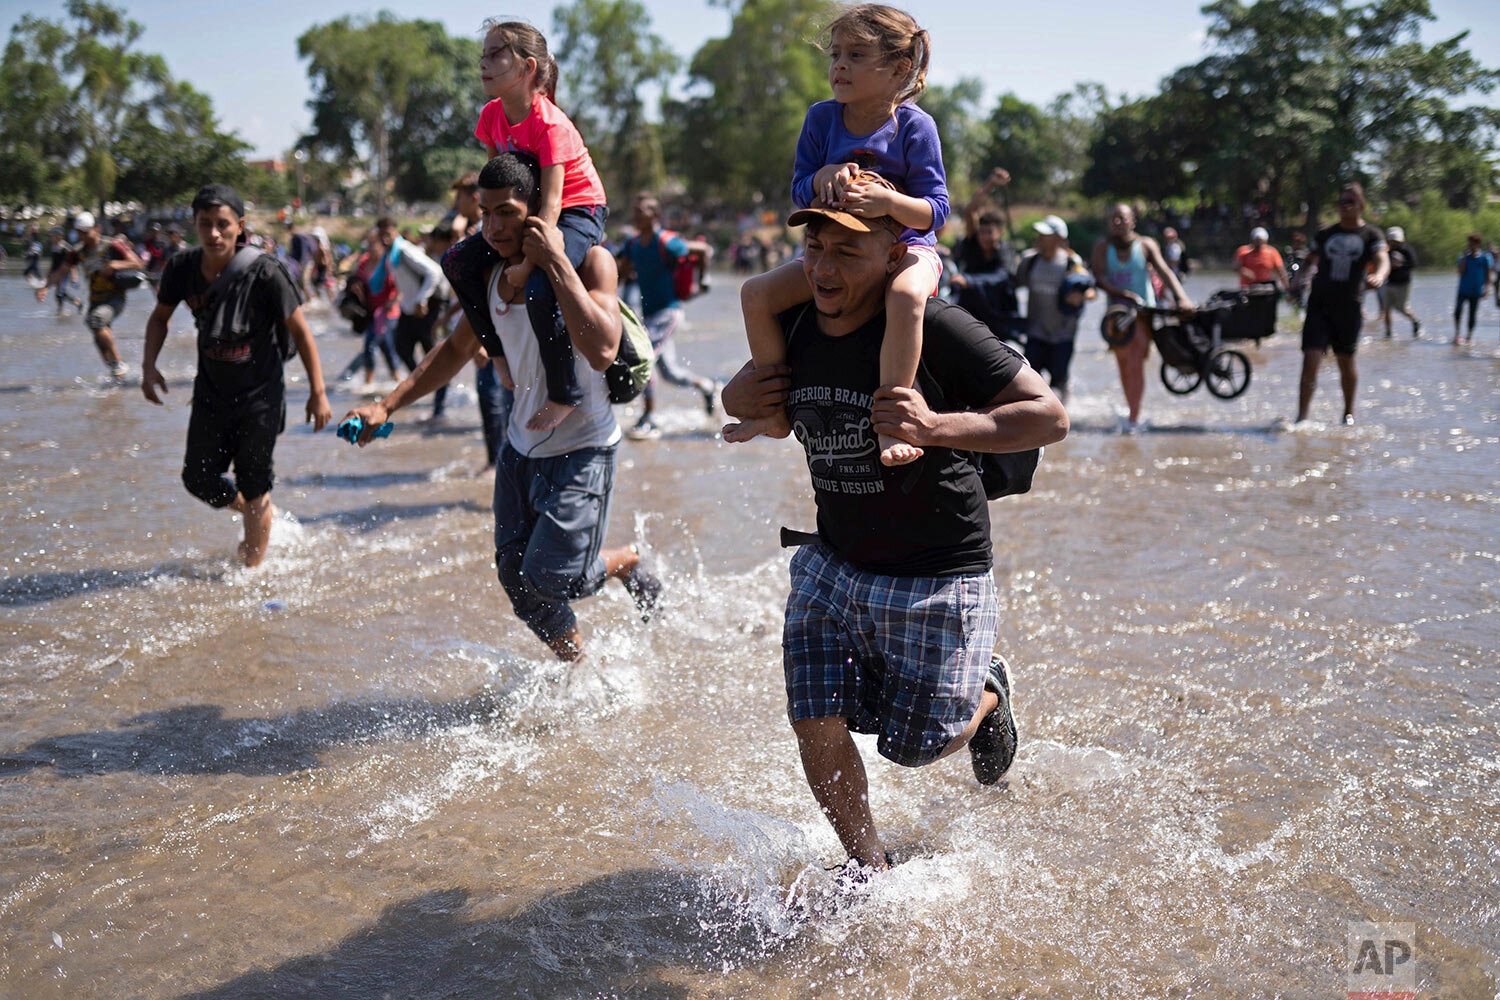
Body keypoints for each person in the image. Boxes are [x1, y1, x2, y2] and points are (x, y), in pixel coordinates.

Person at [720, 195, 1068, 873]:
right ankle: (867, 867)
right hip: (834, 560)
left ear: (893, 258)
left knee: (913, 746)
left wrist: (935, 427)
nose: (823, 267)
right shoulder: (793, 323)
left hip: (939, 567)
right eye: (815, 248)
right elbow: (752, 394)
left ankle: (989, 689)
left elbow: (1048, 416)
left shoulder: (937, 327)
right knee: (814, 715)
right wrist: (740, 399)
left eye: (847, 251)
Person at [345, 152, 661, 662]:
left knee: (554, 575)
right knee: (517, 582)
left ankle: (623, 561)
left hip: (584, 446)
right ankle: (579, 667)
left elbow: (603, 348)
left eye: (507, 212)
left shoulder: (591, 260)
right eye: (484, 213)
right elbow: (453, 350)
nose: (492, 227)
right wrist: (387, 405)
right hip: (520, 450)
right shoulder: (491, 277)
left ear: (537, 207)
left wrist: (555, 261)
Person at [726, 4, 948, 468]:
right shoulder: (821, 119)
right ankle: (771, 410)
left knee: (906, 298)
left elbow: (936, 211)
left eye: (857, 55)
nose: (839, 66)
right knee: (755, 294)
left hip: (907, 249)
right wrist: (823, 174)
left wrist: (890, 205)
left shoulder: (915, 127)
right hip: (834, 251)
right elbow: (799, 189)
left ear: (899, 68)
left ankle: (893, 423)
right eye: (835, 55)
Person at [141, 184, 332, 567]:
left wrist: (318, 392)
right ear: (194, 224)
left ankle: (252, 573)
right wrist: (149, 366)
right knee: (197, 478)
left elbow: (300, 331)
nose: (214, 233)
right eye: (205, 224)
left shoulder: (265, 272)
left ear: (239, 226)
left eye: (223, 224)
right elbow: (160, 317)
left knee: (255, 481)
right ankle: (256, 511)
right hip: (211, 392)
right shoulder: (182, 268)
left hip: (260, 396)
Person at [442, 20, 610, 435]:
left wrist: (525, 268)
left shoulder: (550, 124)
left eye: (496, 53)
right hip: (530, 212)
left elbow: (552, 205)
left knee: (539, 289)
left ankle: (565, 393)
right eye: (483, 54)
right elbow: (497, 183)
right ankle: (495, 351)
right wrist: (491, 231)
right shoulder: (490, 117)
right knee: (456, 262)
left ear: (527, 67)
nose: (484, 62)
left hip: (577, 210)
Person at [617, 192, 720, 440]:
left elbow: (704, 250)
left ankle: (649, 417)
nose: (636, 216)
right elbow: (622, 272)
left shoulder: (667, 241)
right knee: (669, 372)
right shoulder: (633, 245)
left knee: (643, 358)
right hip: (649, 314)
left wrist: (702, 283)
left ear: (655, 216)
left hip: (669, 313)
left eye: (641, 212)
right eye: (635, 211)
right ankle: (707, 387)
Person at [1090, 203, 1193, 430]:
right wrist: (1120, 293)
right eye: (1113, 218)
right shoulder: (1102, 246)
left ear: (1132, 221)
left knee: (1136, 362)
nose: (1117, 222)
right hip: (1116, 316)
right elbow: (1097, 276)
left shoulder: (1146, 244)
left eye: (1122, 218)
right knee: (1124, 364)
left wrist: (1181, 298)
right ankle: (1132, 411)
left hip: (1142, 313)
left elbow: (1166, 272)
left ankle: (1134, 417)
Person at [1295, 183, 1388, 424]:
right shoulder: (1326, 234)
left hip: (1349, 306)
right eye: (1341, 202)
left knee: (1346, 361)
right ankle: (1302, 418)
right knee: (1311, 357)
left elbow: (1382, 258)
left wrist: (1379, 275)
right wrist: (1297, 280)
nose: (1344, 206)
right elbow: (1309, 260)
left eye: (1349, 202)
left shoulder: (1371, 235)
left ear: (1361, 205)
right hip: (1319, 304)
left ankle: (1348, 413)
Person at [36, 211, 146, 381]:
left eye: (85, 232)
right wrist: (45, 287)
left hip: (115, 297)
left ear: (97, 229)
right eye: (79, 232)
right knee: (98, 339)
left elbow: (137, 263)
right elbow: (60, 272)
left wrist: (114, 264)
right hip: (96, 299)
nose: (82, 236)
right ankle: (117, 377)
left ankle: (118, 363)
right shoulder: (77, 252)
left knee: (95, 320)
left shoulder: (112, 245)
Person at [372, 216, 451, 422]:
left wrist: (421, 299)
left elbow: (434, 272)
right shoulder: (392, 255)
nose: (385, 238)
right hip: (409, 311)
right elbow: (403, 281)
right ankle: (424, 385)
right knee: (402, 348)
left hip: (426, 309)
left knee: (435, 358)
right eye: (381, 234)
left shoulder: (405, 250)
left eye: (388, 233)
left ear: (395, 231)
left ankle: (439, 408)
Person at [1015, 215, 1094, 401]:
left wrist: (1080, 296)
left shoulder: (1071, 263)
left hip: (1063, 335)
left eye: (1045, 234)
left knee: (1058, 381)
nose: (1039, 237)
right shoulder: (1029, 261)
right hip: (1035, 332)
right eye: (1039, 233)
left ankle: (1063, 415)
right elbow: (1013, 285)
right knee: (1029, 381)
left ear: (1059, 239)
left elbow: (1091, 291)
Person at [949, 169, 1021, 343]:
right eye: (982, 232)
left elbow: (1002, 276)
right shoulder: (973, 243)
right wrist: (991, 184)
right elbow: (970, 211)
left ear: (1000, 233)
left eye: (990, 233)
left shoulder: (1005, 250)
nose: (985, 237)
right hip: (971, 313)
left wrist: (969, 280)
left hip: (997, 315)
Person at [1454, 233, 1493, 345]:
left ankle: (1469, 336)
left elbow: (1488, 275)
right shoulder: (1463, 257)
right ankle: (1457, 334)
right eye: (1469, 242)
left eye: (1473, 243)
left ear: (1478, 244)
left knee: (1472, 314)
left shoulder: (1485, 258)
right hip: (1463, 289)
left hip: (1476, 291)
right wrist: (1465, 257)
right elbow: (1460, 272)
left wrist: (1487, 288)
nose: (1470, 245)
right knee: (1457, 311)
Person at [1382, 226, 1420, 338]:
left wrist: (1400, 265)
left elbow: (1414, 264)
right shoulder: (1387, 250)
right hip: (1389, 283)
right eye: (1391, 240)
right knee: (1386, 308)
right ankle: (1388, 333)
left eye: (1395, 240)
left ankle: (1415, 321)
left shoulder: (1406, 249)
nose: (1393, 242)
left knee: (1401, 308)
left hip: (1403, 283)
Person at [1234, 227, 1287, 291]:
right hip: (1248, 287)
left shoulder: (1272, 252)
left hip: (1265, 286)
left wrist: (1286, 286)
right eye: (1256, 240)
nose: (1258, 243)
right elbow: (1236, 267)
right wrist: (1245, 272)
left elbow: (1281, 271)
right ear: (1252, 240)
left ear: (1265, 241)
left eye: (1260, 241)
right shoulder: (1243, 251)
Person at [45, 229, 84, 315]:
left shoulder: (66, 247)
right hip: (57, 273)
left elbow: (72, 263)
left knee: (60, 293)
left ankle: (60, 311)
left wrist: (74, 276)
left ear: (59, 236)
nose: (51, 237)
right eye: (51, 236)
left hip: (65, 273)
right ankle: (77, 303)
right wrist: (49, 273)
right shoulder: (54, 247)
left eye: (53, 235)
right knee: (60, 293)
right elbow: (54, 262)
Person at [1285, 231, 1312, 312]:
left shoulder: (1307, 253)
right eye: (1296, 242)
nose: (1298, 244)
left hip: (1303, 282)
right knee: (1290, 304)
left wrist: (1309, 281)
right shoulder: (1290, 252)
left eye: (1300, 242)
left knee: (1303, 304)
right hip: (1292, 281)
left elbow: (1311, 268)